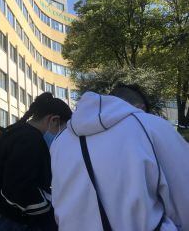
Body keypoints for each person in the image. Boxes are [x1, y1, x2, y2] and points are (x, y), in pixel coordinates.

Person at [51, 84, 189, 231]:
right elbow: (183, 196)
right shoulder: (151, 125)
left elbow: (60, 204)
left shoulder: (59, 141)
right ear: (140, 108)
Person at [0, 92, 72, 231]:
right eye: (63, 131)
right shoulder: (32, 140)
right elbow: (18, 189)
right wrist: (50, 216)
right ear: (53, 120)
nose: (62, 137)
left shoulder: (14, 133)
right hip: (11, 220)